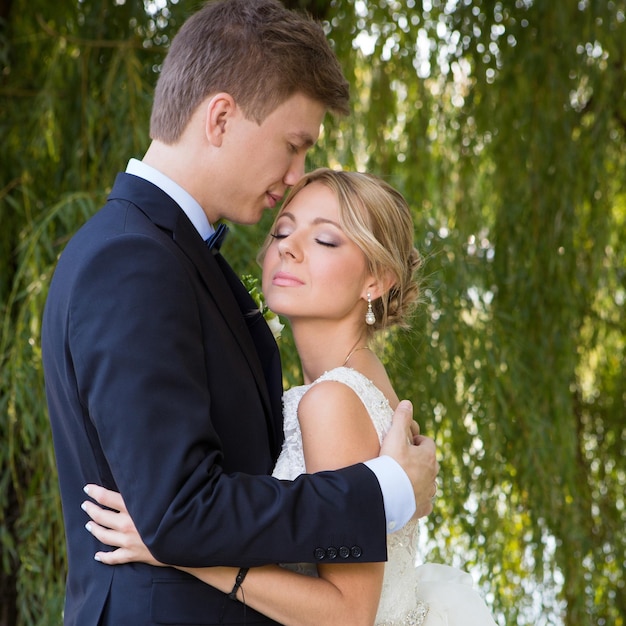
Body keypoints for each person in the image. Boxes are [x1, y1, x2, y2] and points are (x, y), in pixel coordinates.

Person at [41, 2, 438, 625]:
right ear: (221, 117)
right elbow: (177, 513)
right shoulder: (131, 260)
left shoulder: (184, 262)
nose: (296, 174)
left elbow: (185, 513)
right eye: (293, 144)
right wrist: (385, 489)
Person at [82, 168, 498, 626]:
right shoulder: (349, 386)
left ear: (375, 280)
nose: (288, 246)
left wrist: (178, 548)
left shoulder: (334, 400)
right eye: (282, 229)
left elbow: (346, 614)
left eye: (325, 240)